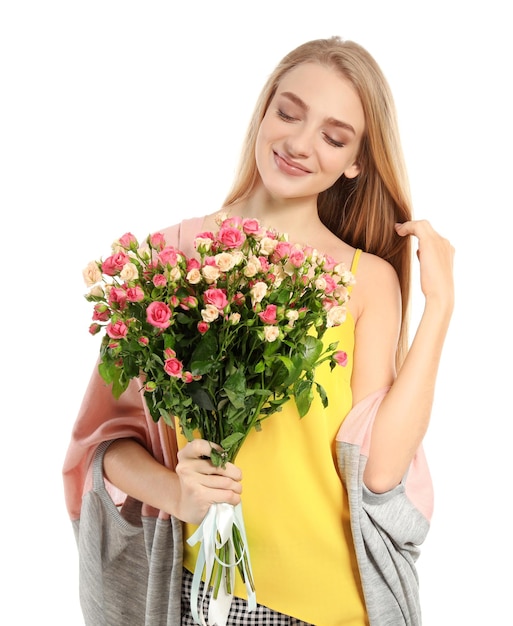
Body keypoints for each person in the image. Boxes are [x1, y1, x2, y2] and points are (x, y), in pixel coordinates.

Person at [63, 36, 454, 626]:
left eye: (333, 135)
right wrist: (178, 495)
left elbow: (376, 473)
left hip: (336, 606)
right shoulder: (171, 256)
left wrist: (441, 307)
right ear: (264, 111)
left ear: (355, 162)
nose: (299, 143)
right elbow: (104, 448)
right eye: (289, 113)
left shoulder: (366, 280)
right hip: (204, 599)